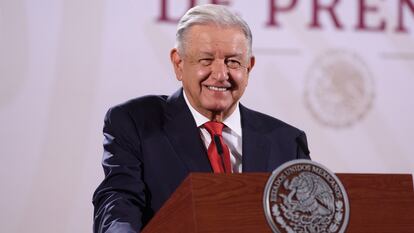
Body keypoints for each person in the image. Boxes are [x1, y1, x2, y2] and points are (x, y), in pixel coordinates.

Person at [93, 4, 310, 233]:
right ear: (179, 63)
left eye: (232, 62)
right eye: (206, 60)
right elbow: (118, 201)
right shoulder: (136, 123)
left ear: (249, 67)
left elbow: (310, 218)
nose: (220, 74)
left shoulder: (287, 142)